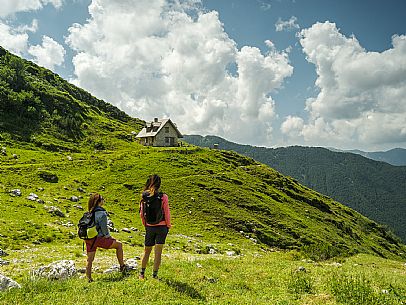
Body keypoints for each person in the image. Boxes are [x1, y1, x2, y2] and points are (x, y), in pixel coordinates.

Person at [85, 193, 128, 282]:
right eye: (103, 199)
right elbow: (104, 228)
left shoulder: (89, 212)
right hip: (98, 238)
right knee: (119, 245)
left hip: (88, 238)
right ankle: (122, 267)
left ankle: (88, 278)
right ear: (99, 202)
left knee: (90, 259)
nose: (104, 200)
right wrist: (108, 237)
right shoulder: (102, 213)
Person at [139, 174, 172, 280]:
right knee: (158, 253)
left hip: (149, 227)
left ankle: (142, 274)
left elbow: (141, 212)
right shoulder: (163, 197)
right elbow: (166, 212)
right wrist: (168, 225)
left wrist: (145, 224)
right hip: (162, 227)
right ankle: (154, 275)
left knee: (146, 251)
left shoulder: (144, 196)